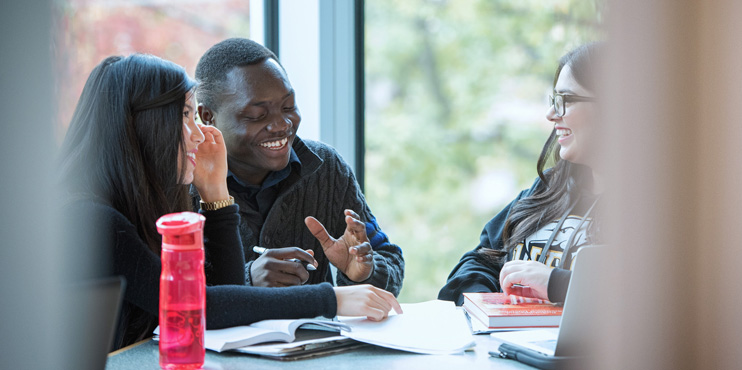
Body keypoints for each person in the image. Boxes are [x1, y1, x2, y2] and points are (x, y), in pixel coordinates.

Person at [58, 54, 401, 349]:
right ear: (145, 126)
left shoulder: (152, 206)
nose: (196, 135)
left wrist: (217, 196)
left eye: (288, 107)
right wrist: (331, 299)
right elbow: (195, 308)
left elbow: (218, 308)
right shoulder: (89, 218)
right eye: (184, 116)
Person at [193, 38, 404, 294]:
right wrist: (248, 279)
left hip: (316, 335)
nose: (281, 124)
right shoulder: (181, 183)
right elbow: (160, 300)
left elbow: (390, 260)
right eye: (257, 115)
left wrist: (365, 271)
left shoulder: (326, 168)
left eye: (288, 106)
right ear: (207, 117)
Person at [438, 43, 603, 306]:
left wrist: (555, 284)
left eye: (567, 100)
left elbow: (657, 297)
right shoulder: (549, 188)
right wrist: (487, 302)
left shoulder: (659, 210)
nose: (551, 114)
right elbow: (479, 260)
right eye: (554, 100)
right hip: (509, 346)